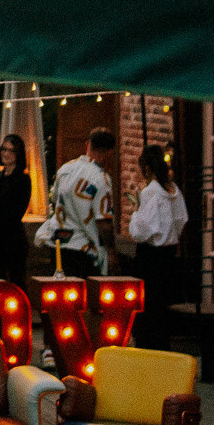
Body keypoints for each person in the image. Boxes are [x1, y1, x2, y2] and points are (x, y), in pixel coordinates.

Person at [126, 145, 189, 349]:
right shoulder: (173, 189)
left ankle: (149, 347)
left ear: (146, 167)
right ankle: (162, 345)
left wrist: (136, 209)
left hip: (150, 256)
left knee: (147, 306)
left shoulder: (151, 192)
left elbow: (140, 232)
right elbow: (182, 219)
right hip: (169, 254)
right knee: (162, 304)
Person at [41, 128, 118, 277]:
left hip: (58, 245)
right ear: (109, 152)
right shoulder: (102, 180)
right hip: (83, 250)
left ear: (87, 144)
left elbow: (55, 199)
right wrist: (111, 251)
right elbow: (104, 223)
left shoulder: (65, 170)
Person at [0, 133, 35, 287]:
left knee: (16, 280)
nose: (6, 154)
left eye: (11, 151)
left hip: (13, 238)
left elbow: (17, 210)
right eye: (4, 149)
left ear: (18, 154)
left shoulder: (23, 179)